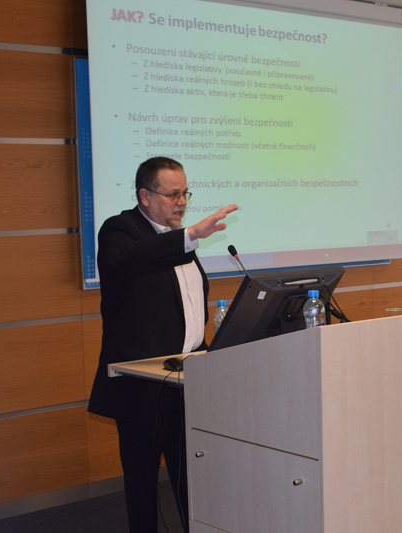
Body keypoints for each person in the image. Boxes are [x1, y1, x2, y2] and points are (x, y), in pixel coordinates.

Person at [88, 156, 238, 533]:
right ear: (145, 196)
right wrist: (187, 236)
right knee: (142, 486)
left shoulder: (179, 238)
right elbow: (128, 261)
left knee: (192, 480)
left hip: (187, 381)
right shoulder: (121, 230)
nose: (181, 202)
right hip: (141, 386)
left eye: (185, 193)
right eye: (172, 194)